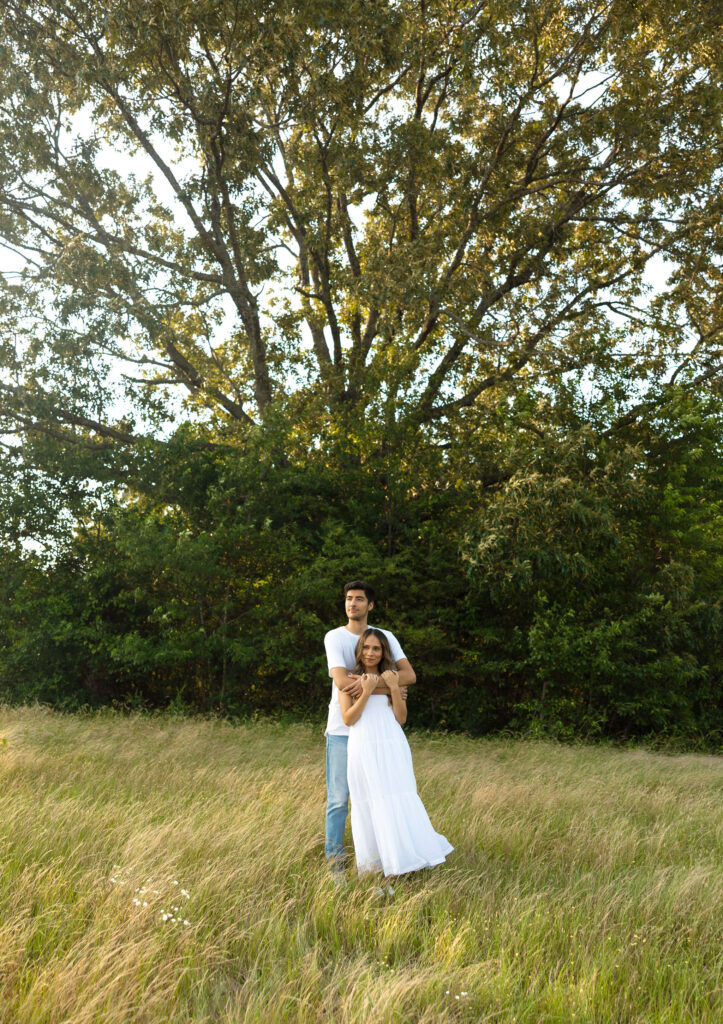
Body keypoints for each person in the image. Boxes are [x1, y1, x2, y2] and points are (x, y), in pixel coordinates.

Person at [338, 628, 453, 876]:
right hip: (364, 746)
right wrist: (367, 691)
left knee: (397, 797)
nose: (370, 653)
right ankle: (376, 867)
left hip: (392, 745)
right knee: (370, 802)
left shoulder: (392, 678)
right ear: (359, 650)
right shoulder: (349, 679)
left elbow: (401, 718)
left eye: (376, 648)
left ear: (383, 652)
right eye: (366, 647)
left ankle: (406, 861)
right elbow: (348, 719)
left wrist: (391, 687)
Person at [324, 580, 416, 874]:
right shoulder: (335, 637)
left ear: (370, 605)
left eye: (360, 599)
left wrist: (377, 687)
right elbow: (341, 683)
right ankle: (336, 866)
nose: (353, 604)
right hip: (343, 730)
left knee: (381, 797)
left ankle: (384, 861)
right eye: (349, 599)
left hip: (378, 734)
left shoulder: (384, 636)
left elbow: (409, 675)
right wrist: (387, 690)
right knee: (339, 801)